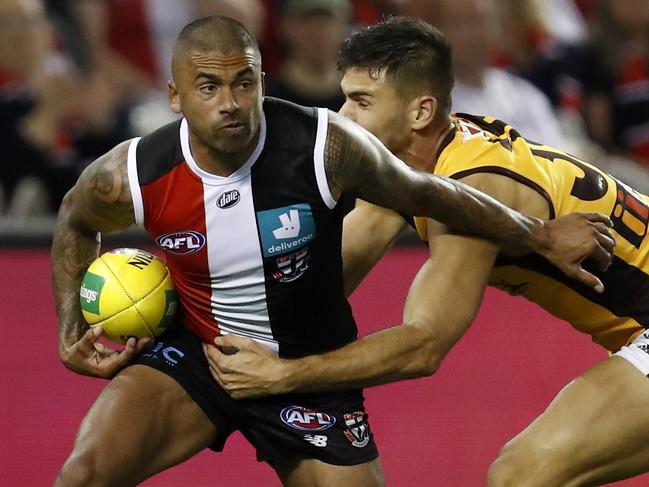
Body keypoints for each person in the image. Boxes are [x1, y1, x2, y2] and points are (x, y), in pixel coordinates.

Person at [51, 15, 613, 487]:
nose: (230, 103)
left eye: (244, 83)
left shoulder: (326, 147)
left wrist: (536, 235)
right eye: (208, 87)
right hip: (200, 355)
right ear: (174, 96)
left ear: (262, 81)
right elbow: (74, 222)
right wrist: (71, 328)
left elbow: (436, 195)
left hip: (309, 370)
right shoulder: (131, 174)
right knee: (83, 475)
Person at [204, 17, 649, 486]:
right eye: (345, 97)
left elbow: (424, 344)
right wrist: (194, 328)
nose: (342, 117)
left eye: (362, 102)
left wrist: (284, 375)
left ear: (419, 112)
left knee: (524, 475)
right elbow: (322, 283)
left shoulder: (472, 185)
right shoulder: (415, 171)